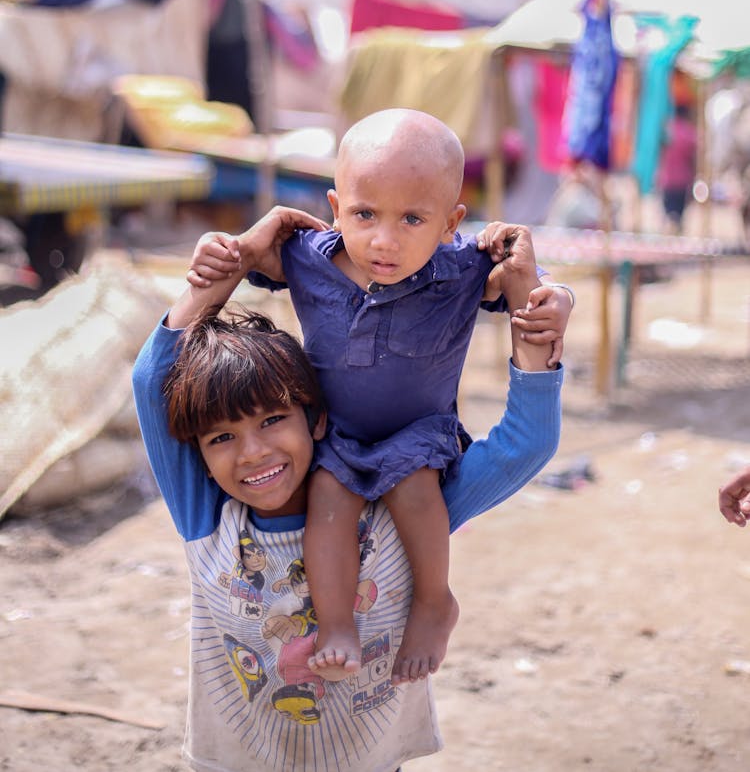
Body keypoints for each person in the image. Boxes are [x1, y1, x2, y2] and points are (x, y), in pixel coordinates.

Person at [132, 207, 564, 772]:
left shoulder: (395, 508)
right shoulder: (208, 517)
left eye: (271, 421)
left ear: (316, 420)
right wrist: (234, 262)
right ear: (199, 454)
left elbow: (526, 443)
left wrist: (534, 324)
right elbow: (151, 381)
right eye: (221, 438)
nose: (253, 452)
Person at [188, 108, 574, 685]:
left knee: (417, 495)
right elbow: (246, 257)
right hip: (336, 437)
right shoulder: (307, 258)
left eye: (413, 219)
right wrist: (227, 247)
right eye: (364, 213)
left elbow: (524, 287)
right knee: (327, 510)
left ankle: (435, 602)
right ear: (335, 206)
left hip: (419, 436)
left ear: (451, 222)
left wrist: (556, 296)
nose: (384, 240)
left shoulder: (461, 270)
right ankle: (338, 624)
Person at [656, 103, 698, 234]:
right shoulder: (690, 132)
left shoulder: (667, 130)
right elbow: (694, 157)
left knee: (668, 215)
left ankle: (669, 240)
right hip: (682, 181)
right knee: (678, 217)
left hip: (666, 180)